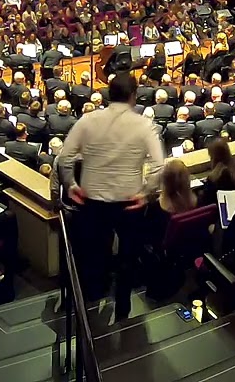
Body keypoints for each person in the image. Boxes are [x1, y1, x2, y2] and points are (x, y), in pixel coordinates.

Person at [57, 74, 164, 320]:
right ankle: (123, 307)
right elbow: (159, 166)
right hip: (130, 202)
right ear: (133, 96)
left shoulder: (87, 120)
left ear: (108, 94)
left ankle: (94, 301)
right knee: (128, 257)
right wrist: (146, 193)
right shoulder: (144, 125)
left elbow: (65, 158)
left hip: (92, 201)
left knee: (95, 253)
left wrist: (71, 184)